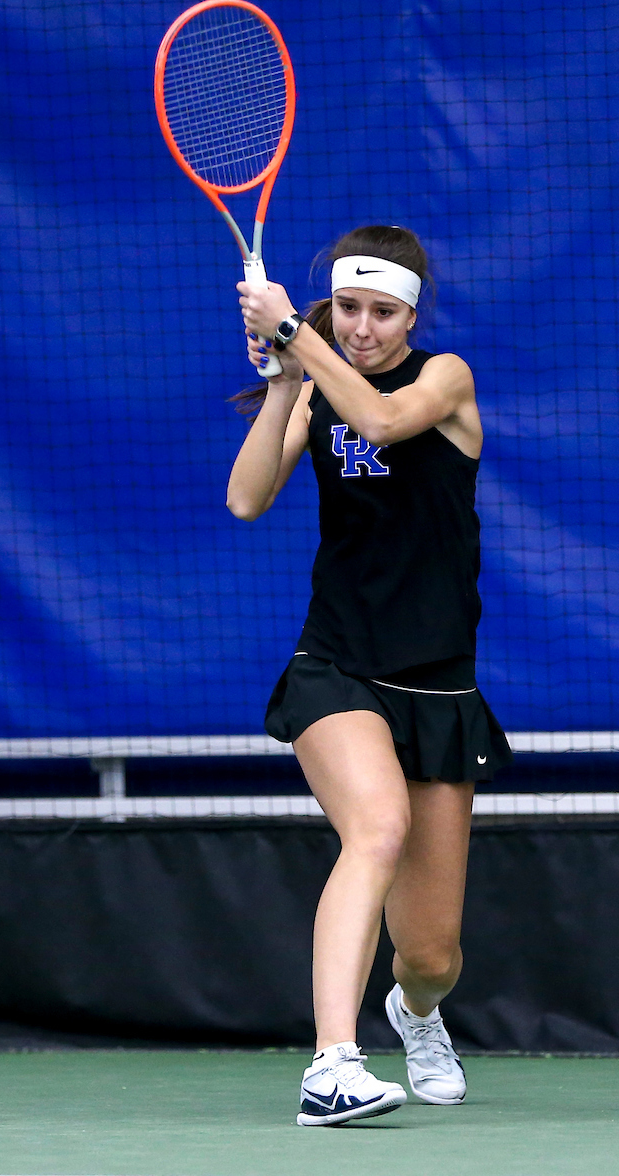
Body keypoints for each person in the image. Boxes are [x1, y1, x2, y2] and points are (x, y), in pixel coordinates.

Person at [227, 224, 512, 1126]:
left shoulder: (445, 379)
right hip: (337, 663)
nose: (360, 326)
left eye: (381, 311)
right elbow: (245, 498)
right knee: (375, 827)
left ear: (412, 315)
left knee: (430, 953)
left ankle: (414, 1014)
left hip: (436, 683)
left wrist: (291, 335)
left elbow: (385, 421)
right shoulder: (318, 387)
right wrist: (282, 387)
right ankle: (332, 1064)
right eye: (346, 307)